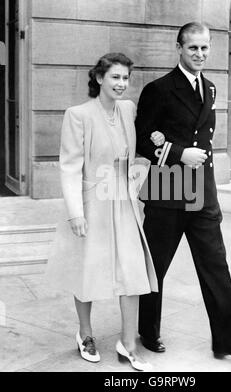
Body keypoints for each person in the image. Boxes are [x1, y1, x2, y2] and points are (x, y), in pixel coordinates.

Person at [135, 22, 231, 359]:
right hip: (166, 190)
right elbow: (143, 140)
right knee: (155, 266)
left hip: (201, 193)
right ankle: (148, 331)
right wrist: (178, 153)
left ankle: (230, 341)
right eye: (193, 48)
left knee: (216, 265)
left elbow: (203, 139)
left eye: (205, 48)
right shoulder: (159, 89)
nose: (200, 54)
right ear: (179, 48)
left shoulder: (212, 88)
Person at [46, 53, 159, 371]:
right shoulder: (78, 114)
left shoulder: (128, 109)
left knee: (133, 272)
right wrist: (75, 213)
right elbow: (69, 167)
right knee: (88, 271)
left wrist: (136, 189)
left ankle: (129, 343)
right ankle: (85, 334)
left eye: (126, 78)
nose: (122, 84)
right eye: (115, 77)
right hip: (91, 204)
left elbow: (136, 154)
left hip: (122, 202)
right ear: (99, 79)